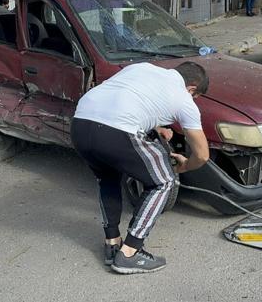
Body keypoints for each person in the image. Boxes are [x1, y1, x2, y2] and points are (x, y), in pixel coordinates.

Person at [70, 61, 211, 274]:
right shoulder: (184, 99)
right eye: (194, 96)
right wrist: (184, 166)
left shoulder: (142, 68)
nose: (192, 99)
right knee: (164, 181)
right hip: (117, 130)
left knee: (107, 178)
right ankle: (130, 253)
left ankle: (112, 244)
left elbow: (124, 98)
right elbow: (201, 155)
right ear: (192, 89)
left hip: (80, 125)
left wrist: (156, 126)